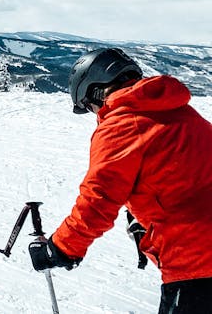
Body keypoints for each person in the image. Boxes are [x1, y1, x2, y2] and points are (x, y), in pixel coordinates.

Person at [28, 48, 212, 314]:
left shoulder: (121, 125)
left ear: (95, 91)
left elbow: (98, 200)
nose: (96, 115)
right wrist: (141, 218)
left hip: (196, 261)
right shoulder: (181, 112)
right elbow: (185, 176)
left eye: (90, 107)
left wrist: (60, 249)